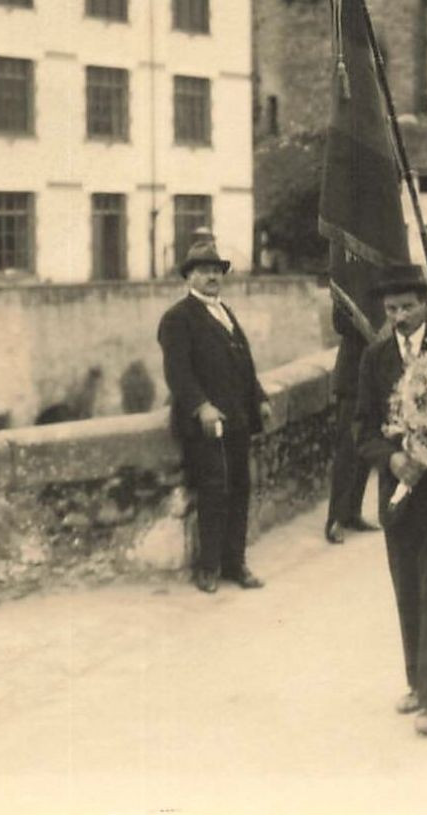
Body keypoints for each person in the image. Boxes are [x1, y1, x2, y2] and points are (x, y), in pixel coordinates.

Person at [354, 263, 427, 737]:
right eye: (391, 308)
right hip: (400, 495)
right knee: (407, 591)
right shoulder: (375, 357)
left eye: (407, 307)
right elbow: (362, 429)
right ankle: (415, 682)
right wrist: (392, 459)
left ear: (425, 304)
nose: (399, 316)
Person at [158, 240, 273, 594]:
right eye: (204, 270)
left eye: (216, 270)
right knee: (212, 490)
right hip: (206, 425)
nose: (211, 276)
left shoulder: (225, 311)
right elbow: (177, 372)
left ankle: (235, 564)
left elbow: (244, 364)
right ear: (189, 275)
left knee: (240, 489)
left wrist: (261, 398)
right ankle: (208, 567)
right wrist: (200, 406)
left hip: (237, 419)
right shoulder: (178, 318)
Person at [325, 301, 377, 545]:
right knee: (347, 447)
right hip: (353, 374)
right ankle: (335, 518)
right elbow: (340, 323)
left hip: (377, 371)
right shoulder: (349, 279)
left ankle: (352, 511)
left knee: (367, 446)